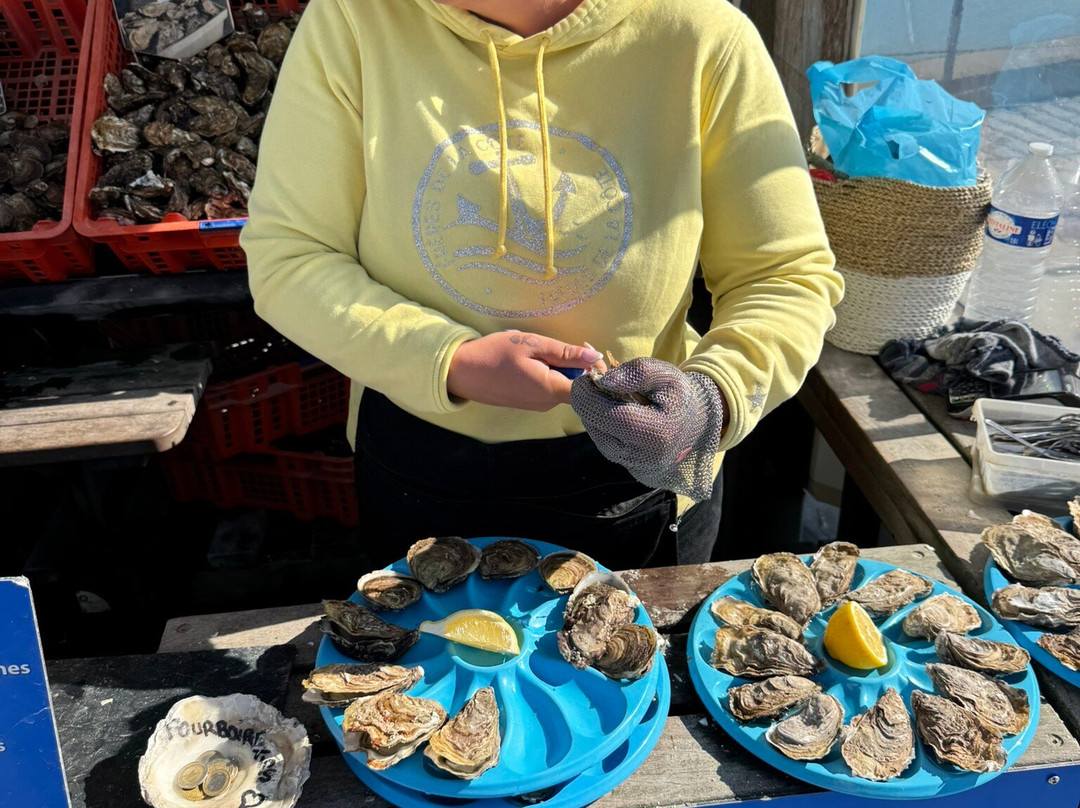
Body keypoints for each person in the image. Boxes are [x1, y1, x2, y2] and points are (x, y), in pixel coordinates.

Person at [241, 0, 844, 569]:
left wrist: (713, 399)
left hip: (641, 474)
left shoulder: (702, 31)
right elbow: (289, 255)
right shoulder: (353, 20)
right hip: (419, 462)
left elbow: (784, 274)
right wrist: (448, 360)